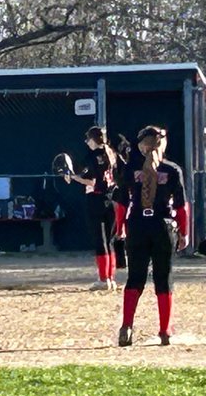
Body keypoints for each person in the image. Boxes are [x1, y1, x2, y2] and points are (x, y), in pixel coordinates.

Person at [117, 125, 189, 347]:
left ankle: (127, 326)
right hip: (162, 226)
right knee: (163, 278)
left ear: (141, 146)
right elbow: (181, 208)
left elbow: (121, 202)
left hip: (137, 225)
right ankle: (164, 330)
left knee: (135, 278)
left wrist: (120, 228)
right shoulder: (173, 170)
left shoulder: (130, 169)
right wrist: (184, 233)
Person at [66, 126, 120, 290]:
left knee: (100, 240)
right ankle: (110, 278)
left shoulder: (92, 156)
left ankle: (103, 279)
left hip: (96, 199)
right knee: (109, 241)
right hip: (111, 200)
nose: (86, 142)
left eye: (88, 139)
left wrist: (74, 178)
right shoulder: (111, 153)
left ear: (93, 140)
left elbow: (92, 181)